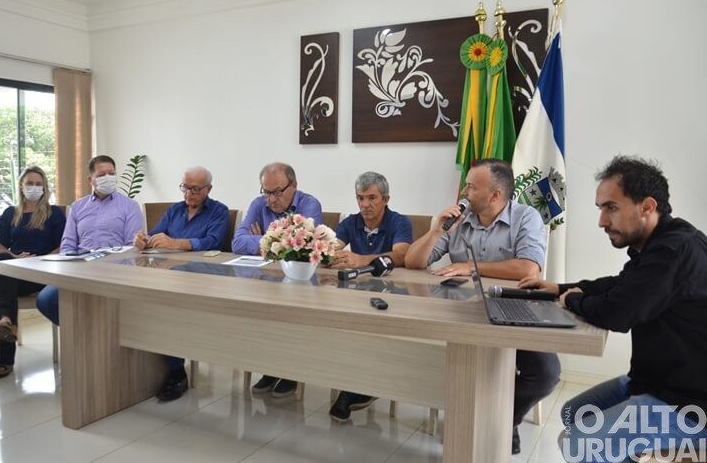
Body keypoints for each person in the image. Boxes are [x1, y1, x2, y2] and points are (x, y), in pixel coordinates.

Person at [518, 156, 707, 463]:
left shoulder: (674, 250)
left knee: (578, 443)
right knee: (570, 415)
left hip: (688, 405)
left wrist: (570, 300)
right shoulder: (658, 242)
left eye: (611, 208)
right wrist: (560, 288)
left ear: (647, 206)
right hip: (653, 384)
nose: (602, 221)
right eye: (601, 209)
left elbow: (616, 313)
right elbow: (620, 284)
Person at [404, 158, 553, 454]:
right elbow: (413, 262)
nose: (464, 192)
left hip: (516, 309)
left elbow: (528, 270)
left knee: (546, 373)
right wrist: (436, 231)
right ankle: (467, 420)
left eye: (472, 187)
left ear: (495, 195)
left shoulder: (527, 217)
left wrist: (471, 268)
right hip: (461, 313)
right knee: (446, 363)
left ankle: (505, 420)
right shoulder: (460, 221)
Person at [133, 166, 229, 401]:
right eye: (185, 187)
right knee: (141, 302)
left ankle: (177, 371)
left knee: (166, 308)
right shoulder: (174, 210)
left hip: (202, 277)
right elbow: (156, 235)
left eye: (195, 189)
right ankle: (150, 363)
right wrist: (144, 240)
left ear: (208, 189)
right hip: (168, 274)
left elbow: (212, 242)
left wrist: (177, 243)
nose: (189, 194)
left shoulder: (219, 211)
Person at [232, 162, 323, 398]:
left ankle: (291, 372)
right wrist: (279, 240)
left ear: (294, 185)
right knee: (261, 317)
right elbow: (238, 242)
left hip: (301, 283)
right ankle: (271, 368)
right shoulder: (257, 204)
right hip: (266, 281)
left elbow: (304, 245)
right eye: (266, 192)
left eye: (278, 192)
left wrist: (264, 239)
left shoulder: (309, 204)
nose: (271, 199)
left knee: (292, 318)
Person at [328, 171, 413, 422]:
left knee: (367, 330)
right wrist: (333, 256)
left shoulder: (400, 222)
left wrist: (359, 260)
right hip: (358, 294)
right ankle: (356, 382)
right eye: (360, 198)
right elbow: (332, 249)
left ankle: (359, 387)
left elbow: (401, 255)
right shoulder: (350, 222)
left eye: (372, 198)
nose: (365, 204)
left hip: (394, 294)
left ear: (386, 199)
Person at [36, 155, 143, 325]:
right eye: (101, 175)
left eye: (111, 173)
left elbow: (133, 248)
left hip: (115, 272)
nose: (108, 178)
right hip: (80, 271)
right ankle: (85, 332)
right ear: (90, 179)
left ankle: (96, 335)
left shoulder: (130, 206)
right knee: (46, 300)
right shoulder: (78, 207)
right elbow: (68, 244)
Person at [0, 166, 65, 379]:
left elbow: (63, 247)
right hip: (16, 272)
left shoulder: (54, 214)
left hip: (43, 273)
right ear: (21, 186)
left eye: (38, 183)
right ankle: (6, 322)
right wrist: (15, 260)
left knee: (3, 288)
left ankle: (4, 351)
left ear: (45, 188)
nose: (34, 187)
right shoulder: (10, 214)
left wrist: (37, 260)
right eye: (29, 183)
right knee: (0, 261)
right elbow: (2, 248)